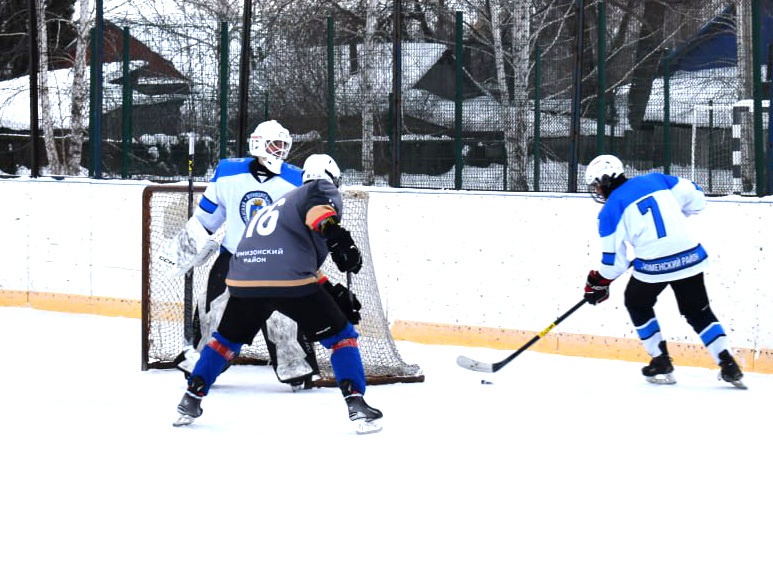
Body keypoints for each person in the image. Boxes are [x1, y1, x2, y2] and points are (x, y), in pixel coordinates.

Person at [173, 154, 381, 433]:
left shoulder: (282, 203)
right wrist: (338, 238)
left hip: (244, 280)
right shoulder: (319, 189)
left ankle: (191, 398)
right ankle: (357, 403)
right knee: (342, 338)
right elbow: (319, 214)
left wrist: (330, 291)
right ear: (332, 177)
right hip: (289, 281)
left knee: (224, 342)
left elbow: (287, 258)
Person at [158, 120, 319, 390]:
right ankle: (201, 363)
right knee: (213, 314)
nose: (280, 151)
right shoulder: (228, 174)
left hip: (277, 262)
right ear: (258, 145)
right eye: (275, 145)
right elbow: (207, 219)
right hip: (233, 258)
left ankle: (295, 366)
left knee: (284, 317)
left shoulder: (296, 180)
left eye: (284, 145)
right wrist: (182, 250)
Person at [581, 154, 747, 389]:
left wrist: (597, 282)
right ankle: (728, 363)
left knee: (636, 303)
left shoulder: (609, 211)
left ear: (606, 180)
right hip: (689, 256)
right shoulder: (657, 179)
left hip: (654, 265)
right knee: (698, 311)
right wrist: (676, 215)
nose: (597, 190)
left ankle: (661, 360)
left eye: (597, 185)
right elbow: (698, 199)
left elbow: (614, 264)